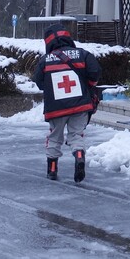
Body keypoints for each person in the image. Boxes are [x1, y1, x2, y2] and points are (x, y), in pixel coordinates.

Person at [33, 24, 102, 183]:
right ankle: (79, 155)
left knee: (54, 136)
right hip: (80, 105)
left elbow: (39, 83)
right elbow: (95, 73)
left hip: (56, 108)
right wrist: (88, 85)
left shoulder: (45, 60)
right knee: (76, 134)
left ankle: (52, 169)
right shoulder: (83, 54)